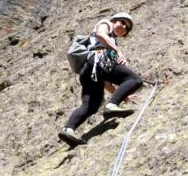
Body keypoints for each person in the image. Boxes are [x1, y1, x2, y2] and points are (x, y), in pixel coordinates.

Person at [58, 12, 143, 147]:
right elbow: (100, 34)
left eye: (127, 28)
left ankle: (68, 129)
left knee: (91, 106)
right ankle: (111, 106)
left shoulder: (111, 42)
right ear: (115, 21)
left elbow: (106, 82)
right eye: (122, 22)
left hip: (89, 71)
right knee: (134, 79)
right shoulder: (106, 24)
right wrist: (118, 51)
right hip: (97, 59)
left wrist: (121, 95)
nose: (124, 28)